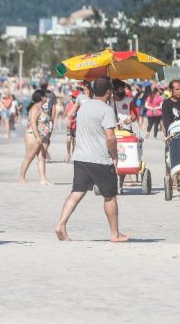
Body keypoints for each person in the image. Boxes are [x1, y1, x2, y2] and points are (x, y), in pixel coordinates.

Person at [55, 76, 129, 242]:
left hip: (81, 157)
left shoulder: (84, 107)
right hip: (100, 159)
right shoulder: (106, 110)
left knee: (76, 193)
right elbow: (110, 138)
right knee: (109, 196)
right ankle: (114, 234)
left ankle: (61, 224)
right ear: (109, 92)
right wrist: (115, 156)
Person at [18, 89, 53, 185]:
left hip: (43, 136)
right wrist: (37, 136)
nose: (47, 98)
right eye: (45, 96)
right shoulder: (35, 108)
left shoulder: (41, 108)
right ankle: (21, 177)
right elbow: (33, 122)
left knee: (42, 158)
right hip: (33, 135)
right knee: (29, 157)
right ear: (42, 97)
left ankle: (43, 179)